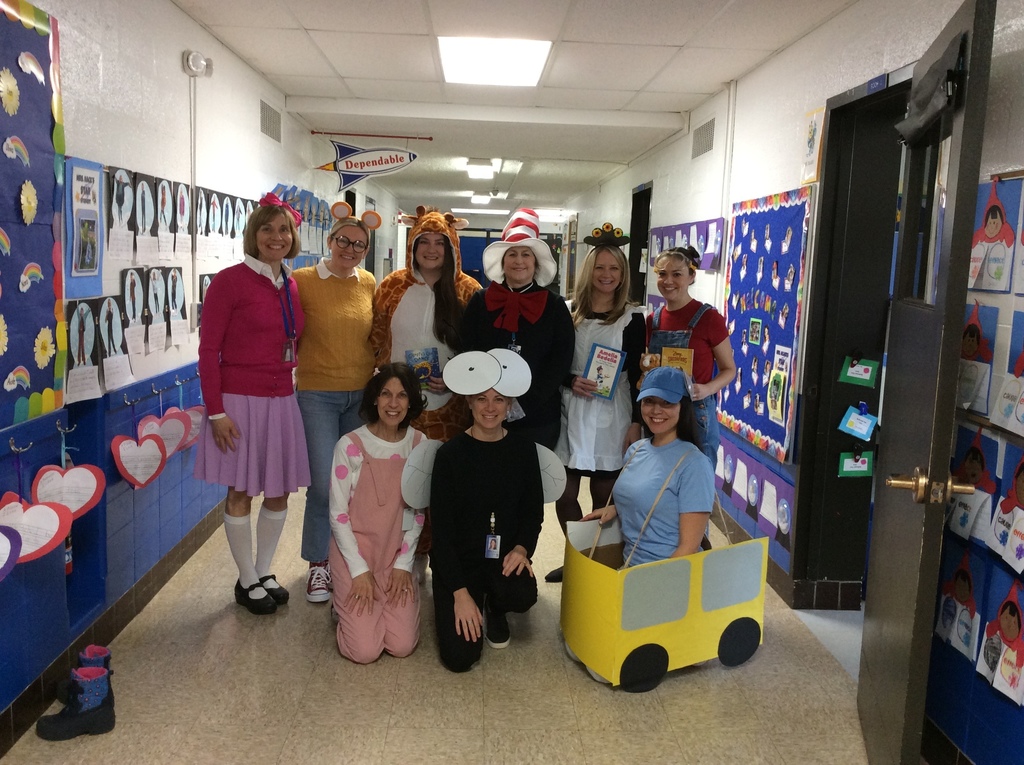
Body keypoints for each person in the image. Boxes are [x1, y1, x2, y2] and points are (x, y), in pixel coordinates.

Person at [194, 194, 309, 615]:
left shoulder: (291, 285)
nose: (275, 237)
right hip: (239, 402)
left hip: (282, 399)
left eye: (283, 230)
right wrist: (216, 412)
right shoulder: (229, 281)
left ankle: (262, 571)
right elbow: (208, 353)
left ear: (292, 236)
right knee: (241, 489)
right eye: (267, 229)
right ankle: (245, 579)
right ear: (253, 235)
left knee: (278, 492)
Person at [430, 351, 544, 671]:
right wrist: (459, 593)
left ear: (509, 405)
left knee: (521, 594)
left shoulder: (524, 450)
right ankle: (474, 595)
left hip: (502, 557)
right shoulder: (450, 456)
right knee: (460, 659)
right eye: (481, 399)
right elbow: (441, 535)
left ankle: (495, 605)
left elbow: (532, 512)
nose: (490, 407)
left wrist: (522, 548)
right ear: (468, 402)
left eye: (498, 399)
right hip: (459, 564)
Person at [292, 208, 378, 603]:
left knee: (354, 483)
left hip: (360, 395)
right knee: (325, 485)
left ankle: (347, 556)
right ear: (330, 240)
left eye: (358, 244)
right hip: (317, 394)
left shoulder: (369, 283)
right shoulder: (303, 280)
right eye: (343, 240)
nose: (350, 248)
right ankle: (317, 565)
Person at [548, 227, 644, 583]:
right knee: (564, 492)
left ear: (623, 275)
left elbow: (638, 374)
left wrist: (636, 421)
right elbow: (552, 361)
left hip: (611, 414)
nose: (607, 275)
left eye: (614, 269)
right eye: (600, 267)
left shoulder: (633, 318)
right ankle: (576, 555)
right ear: (589, 272)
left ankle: (597, 563)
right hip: (571, 410)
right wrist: (569, 380)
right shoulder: (567, 311)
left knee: (603, 498)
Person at [327, 363, 427, 664]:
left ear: (411, 401)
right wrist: (358, 571)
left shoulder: (419, 444)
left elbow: (418, 513)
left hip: (395, 556)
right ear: (374, 398)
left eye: (401, 395)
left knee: (402, 645)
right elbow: (338, 514)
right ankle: (343, 606)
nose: (393, 403)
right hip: (354, 557)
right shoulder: (350, 446)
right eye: (385, 394)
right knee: (365, 651)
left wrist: (404, 564)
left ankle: (381, 608)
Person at [461, 208, 574, 449]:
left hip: (539, 417)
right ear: (503, 261)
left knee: (531, 483)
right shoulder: (480, 301)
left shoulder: (554, 306)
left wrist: (525, 402)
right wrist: (487, 400)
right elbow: (467, 350)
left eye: (526, 254)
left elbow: (560, 362)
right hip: (486, 413)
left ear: (536, 262)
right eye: (512, 254)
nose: (519, 261)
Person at [582, 367, 714, 567]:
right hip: (629, 567)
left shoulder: (695, 464)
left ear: (683, 406)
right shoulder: (636, 450)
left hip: (667, 577)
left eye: (667, 403)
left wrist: (651, 586)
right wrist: (619, 507)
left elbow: (688, 549)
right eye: (649, 401)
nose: (656, 411)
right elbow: (651, 496)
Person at [371, 206, 481, 441]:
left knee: (444, 472)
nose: (431, 250)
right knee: (399, 469)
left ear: (451, 247)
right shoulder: (392, 286)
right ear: (413, 244)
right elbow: (376, 339)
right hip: (398, 404)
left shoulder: (469, 290)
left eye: (440, 243)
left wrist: (457, 379)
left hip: (452, 408)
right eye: (424, 242)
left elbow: (479, 347)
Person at [647, 246, 736, 468]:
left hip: (696, 413)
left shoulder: (709, 318)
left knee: (696, 483)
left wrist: (707, 389)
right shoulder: (652, 320)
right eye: (662, 274)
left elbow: (729, 369)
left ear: (691, 276)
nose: (668, 281)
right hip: (659, 414)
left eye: (677, 274)